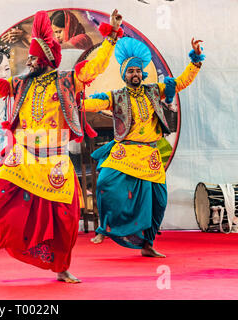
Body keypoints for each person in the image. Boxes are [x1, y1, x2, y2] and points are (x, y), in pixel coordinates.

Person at [0, 10, 123, 283]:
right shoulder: (19, 84)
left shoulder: (67, 81)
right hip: (23, 154)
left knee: (66, 218)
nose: (29, 61)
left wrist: (113, 36)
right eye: (30, 57)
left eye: (34, 57)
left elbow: (95, 67)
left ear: (45, 59)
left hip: (54, 157)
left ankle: (61, 267)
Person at [84, 36, 204, 257]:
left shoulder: (154, 90)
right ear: (124, 75)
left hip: (149, 153)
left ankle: (147, 244)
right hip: (125, 151)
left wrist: (195, 59)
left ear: (143, 73)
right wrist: (72, 101)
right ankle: (105, 228)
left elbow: (181, 82)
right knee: (104, 182)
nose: (135, 74)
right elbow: (92, 105)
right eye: (130, 71)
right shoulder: (116, 96)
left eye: (138, 70)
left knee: (158, 200)